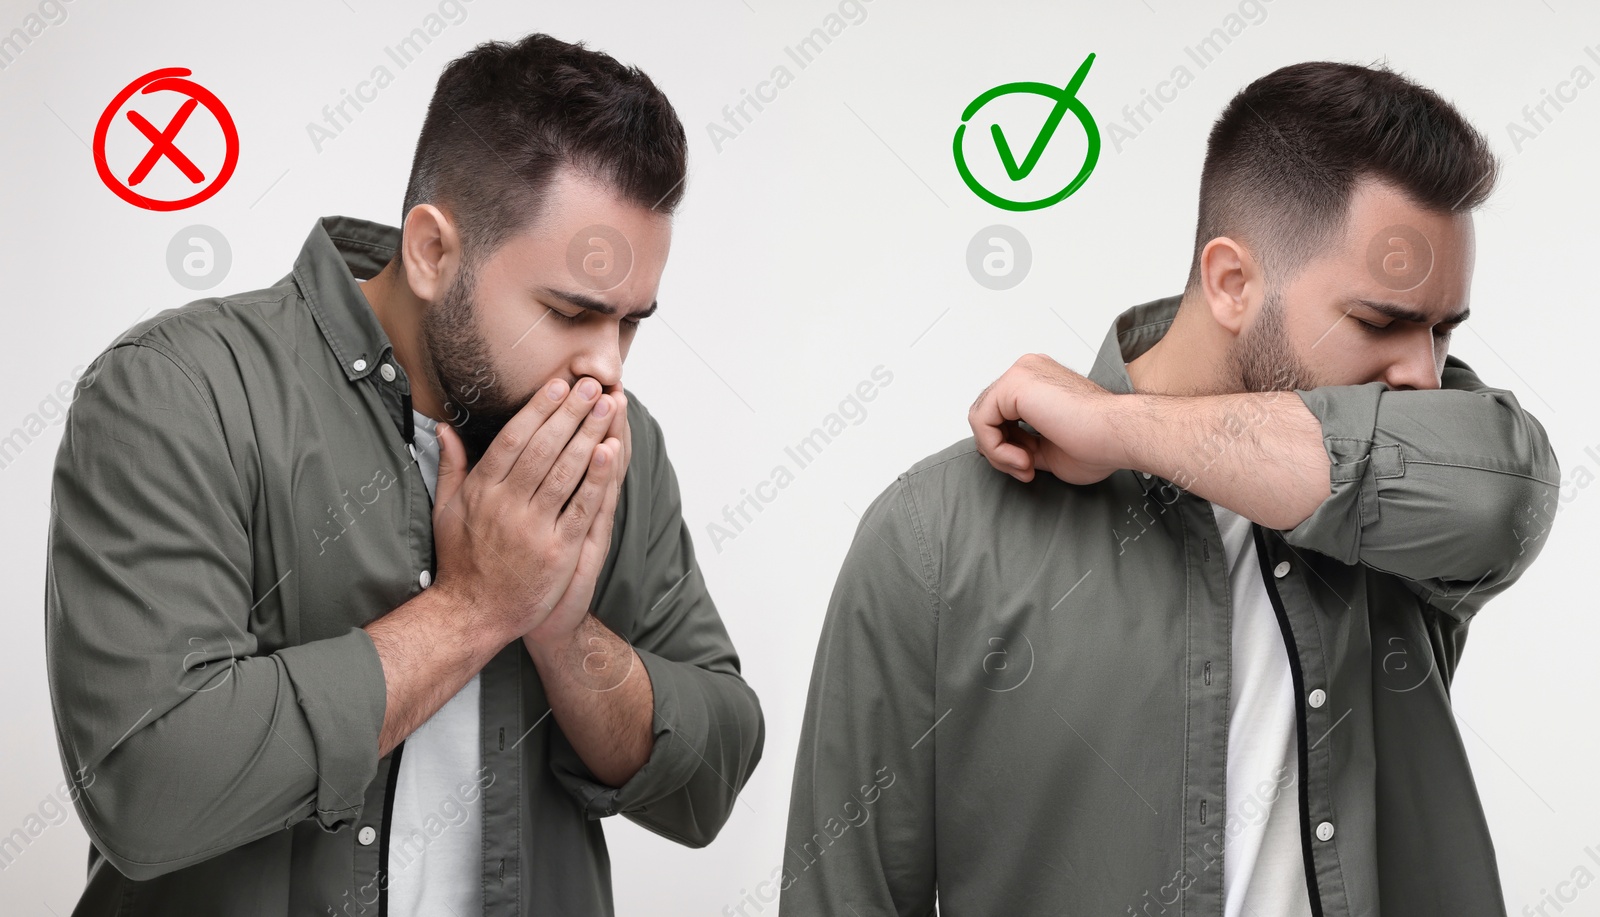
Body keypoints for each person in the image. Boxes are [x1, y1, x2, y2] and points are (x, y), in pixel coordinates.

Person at [781, 60, 1559, 916]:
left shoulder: (1414, 509)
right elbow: (840, 896)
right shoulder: (936, 535)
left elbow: (1502, 499)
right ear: (1232, 283)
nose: (1422, 374)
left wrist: (1118, 427)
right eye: (1381, 322)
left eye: (1443, 330)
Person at [45, 32, 763, 917]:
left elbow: (712, 775)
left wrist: (566, 637)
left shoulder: (610, 436)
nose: (608, 366)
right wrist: (477, 607)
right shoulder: (179, 390)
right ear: (431, 252)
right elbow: (149, 789)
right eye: (571, 312)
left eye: (630, 322)